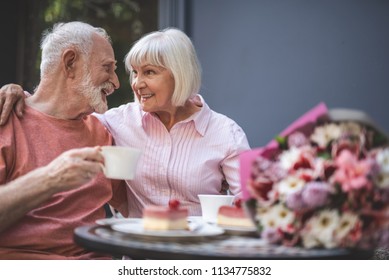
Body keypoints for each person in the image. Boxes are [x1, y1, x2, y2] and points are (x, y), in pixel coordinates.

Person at [0, 28, 250, 217]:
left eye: (149, 72)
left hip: (201, 257)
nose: (135, 83)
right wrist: (19, 94)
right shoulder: (115, 123)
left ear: (180, 74)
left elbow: (253, 206)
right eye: (135, 72)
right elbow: (54, 113)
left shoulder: (226, 133)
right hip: (137, 256)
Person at [0, 21, 128, 259]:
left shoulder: (103, 130)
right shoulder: (6, 121)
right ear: (70, 63)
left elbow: (132, 206)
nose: (117, 82)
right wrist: (50, 180)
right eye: (107, 68)